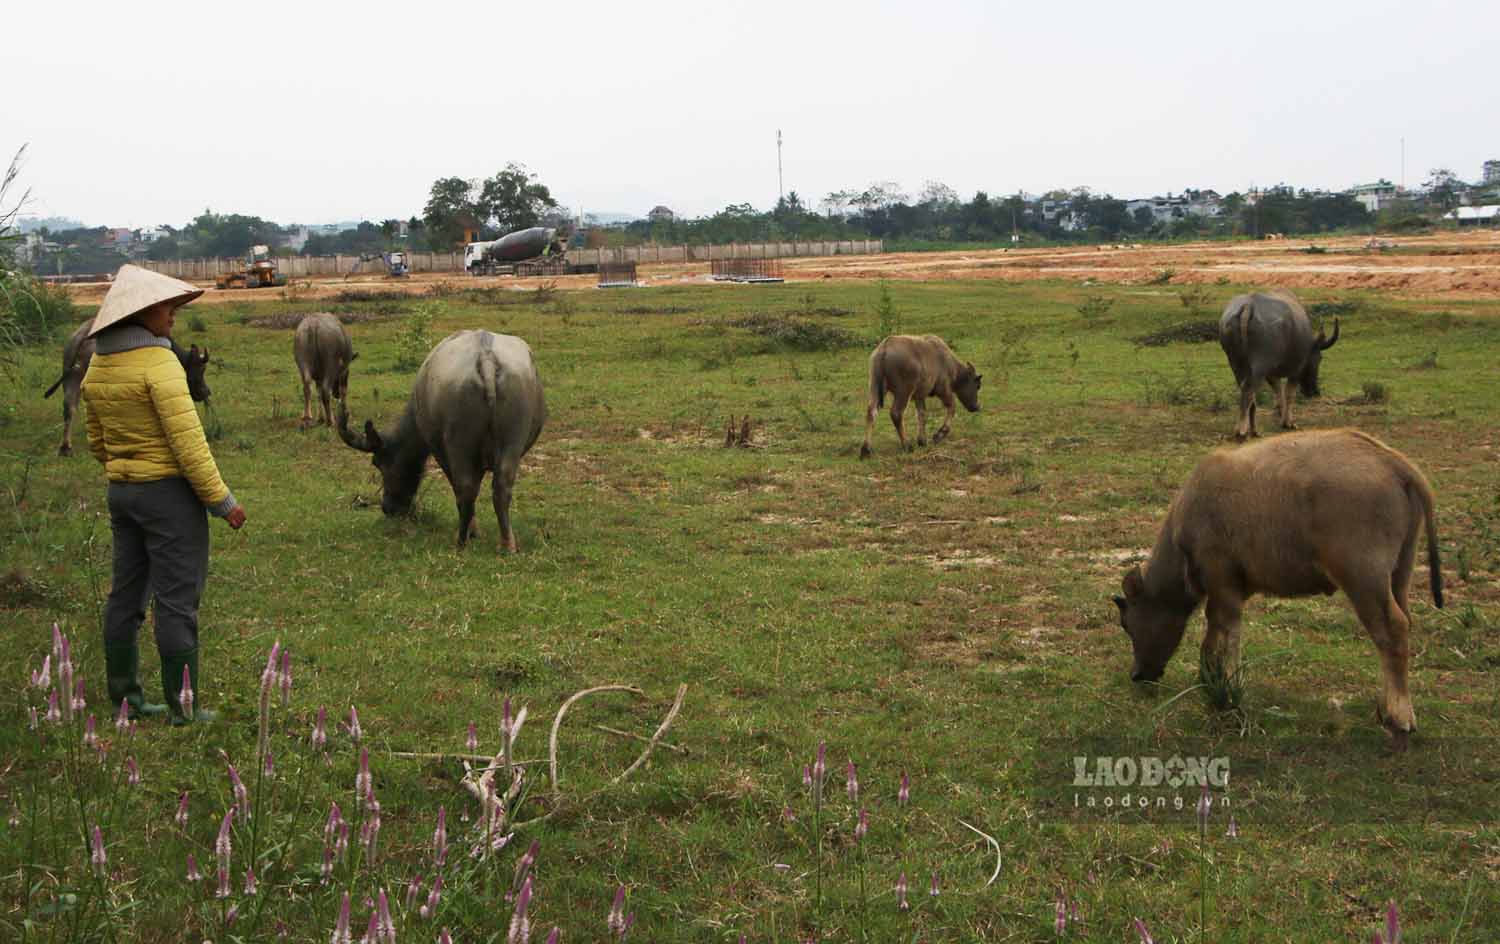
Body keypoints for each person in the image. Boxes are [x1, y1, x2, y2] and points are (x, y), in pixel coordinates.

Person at [82, 264, 247, 725]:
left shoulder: (98, 362)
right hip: (170, 498)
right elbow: (188, 443)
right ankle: (183, 707)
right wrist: (223, 502)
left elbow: (97, 441)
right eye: (166, 306)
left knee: (125, 596)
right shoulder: (159, 363)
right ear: (141, 312)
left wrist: (127, 470)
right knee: (176, 599)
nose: (173, 314)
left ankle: (125, 698)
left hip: (123, 494)